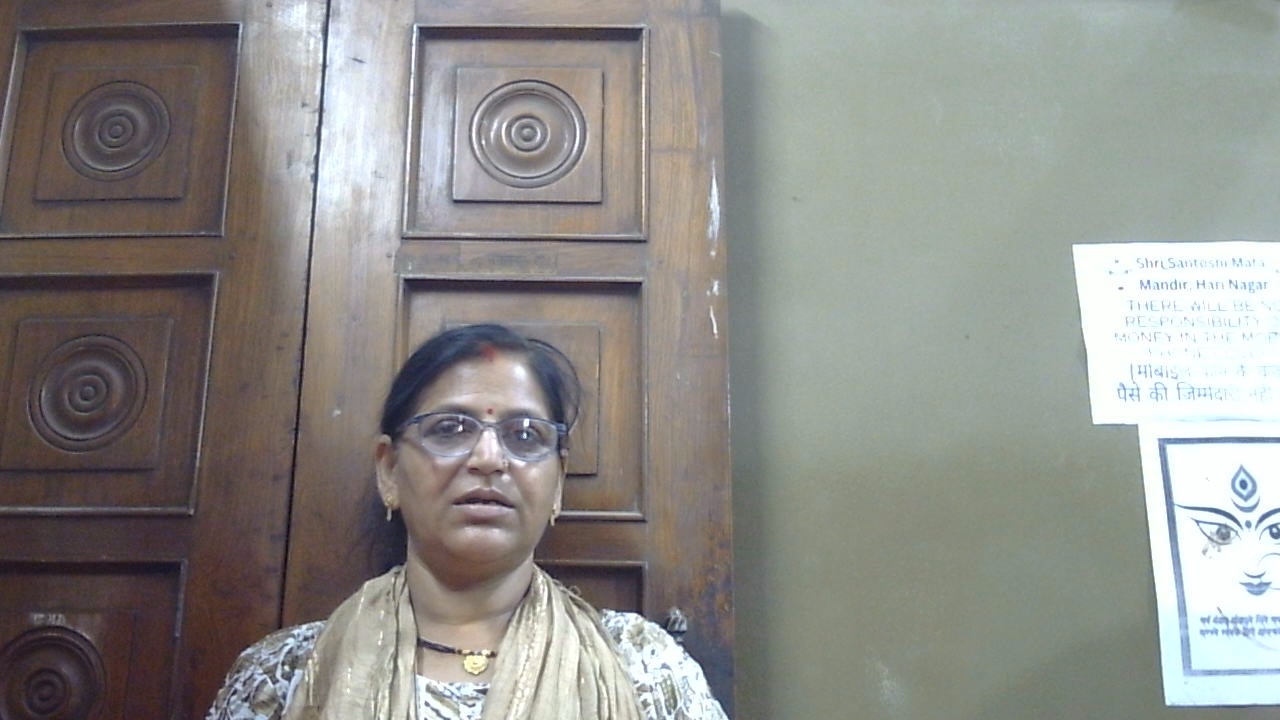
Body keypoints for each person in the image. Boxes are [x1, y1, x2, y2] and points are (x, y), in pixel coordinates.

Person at [206, 323, 728, 720]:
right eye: (450, 429)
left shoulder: (642, 667)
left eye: (525, 435)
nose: (489, 459)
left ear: (557, 484)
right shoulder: (283, 677)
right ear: (389, 470)